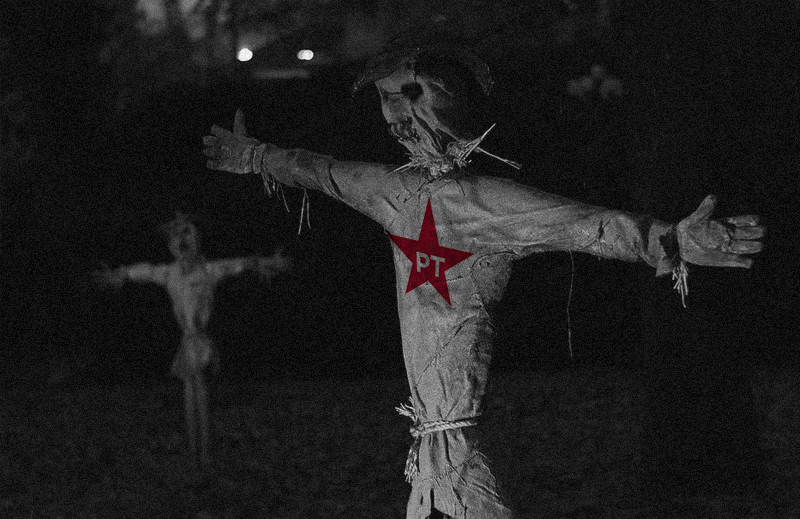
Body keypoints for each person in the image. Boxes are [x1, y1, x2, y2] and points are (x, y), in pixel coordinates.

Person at [202, 43, 764, 518]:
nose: (396, 113)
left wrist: (671, 240)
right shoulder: (395, 191)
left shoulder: (481, 202)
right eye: (387, 97)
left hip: (458, 448)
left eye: (410, 95)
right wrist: (254, 157)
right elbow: (321, 171)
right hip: (430, 446)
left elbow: (588, 225)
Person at [95, 211, 289, 469]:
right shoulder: (170, 273)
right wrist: (122, 273)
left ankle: (203, 452)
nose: (183, 243)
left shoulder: (207, 270)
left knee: (199, 391)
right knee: (192, 391)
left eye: (188, 236)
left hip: (199, 338)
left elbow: (236, 265)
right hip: (188, 339)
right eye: (178, 238)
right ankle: (196, 452)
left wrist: (262, 263)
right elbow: (146, 271)